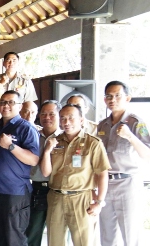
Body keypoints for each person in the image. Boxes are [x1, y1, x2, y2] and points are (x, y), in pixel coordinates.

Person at [40, 104, 111, 246]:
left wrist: (99, 202)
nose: (66, 122)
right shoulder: (55, 142)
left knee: (83, 242)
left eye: (71, 118)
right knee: (54, 241)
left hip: (81, 198)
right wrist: (47, 151)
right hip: (56, 197)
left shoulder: (93, 143)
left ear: (82, 120)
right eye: (63, 118)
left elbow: (102, 173)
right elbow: (46, 172)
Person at [97, 81, 150, 246]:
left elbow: (147, 154)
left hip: (128, 184)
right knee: (107, 235)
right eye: (108, 96)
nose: (112, 99)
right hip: (106, 184)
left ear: (127, 98)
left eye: (117, 95)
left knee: (131, 234)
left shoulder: (136, 123)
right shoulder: (102, 125)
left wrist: (130, 137)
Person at [0, 90, 40, 245]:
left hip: (14, 193)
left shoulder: (26, 128)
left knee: (14, 238)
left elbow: (34, 159)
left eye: (10, 102)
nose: (6, 106)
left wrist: (11, 146)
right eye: (3, 102)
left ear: (19, 106)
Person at [25, 100, 63, 246]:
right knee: (32, 233)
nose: (47, 117)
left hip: (58, 189)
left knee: (58, 234)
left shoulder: (65, 137)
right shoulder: (32, 135)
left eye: (52, 114)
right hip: (37, 189)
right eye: (43, 114)